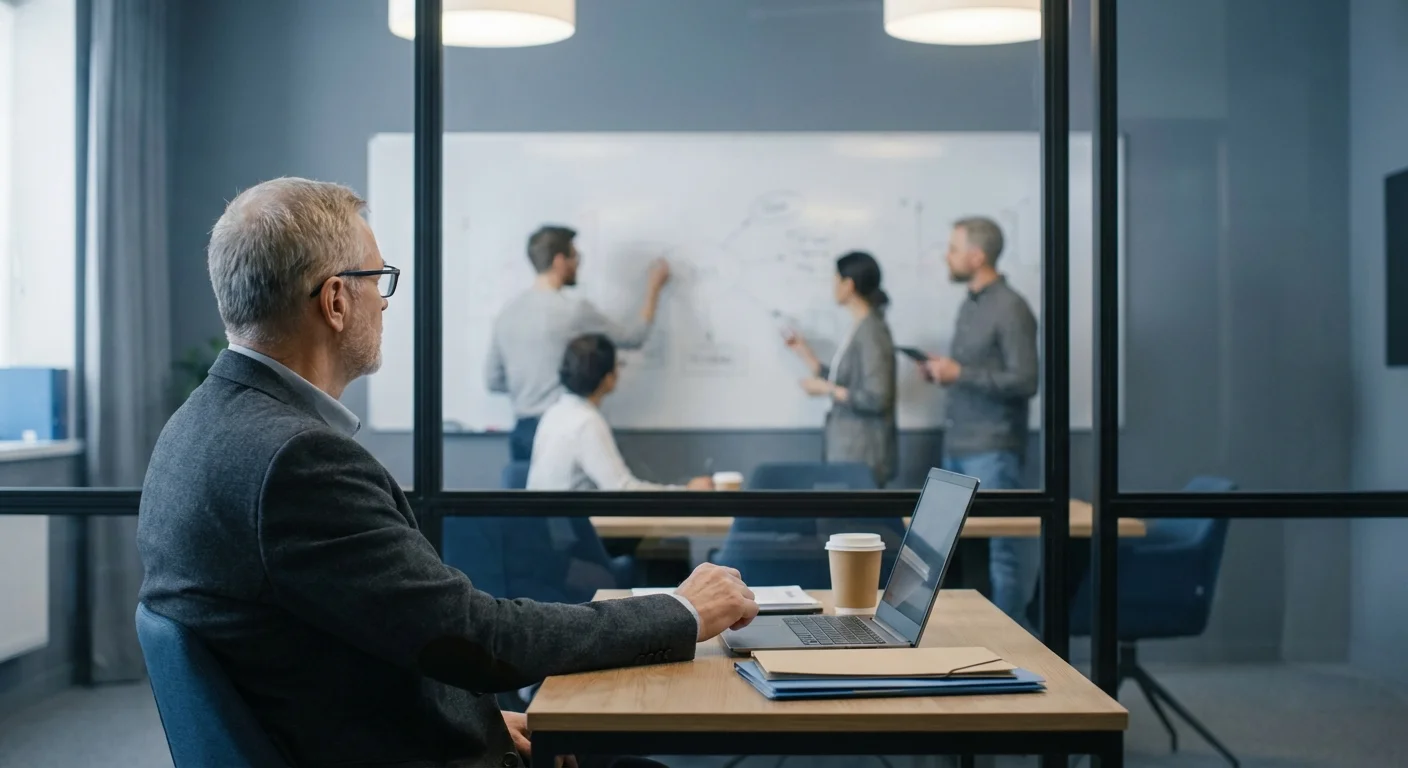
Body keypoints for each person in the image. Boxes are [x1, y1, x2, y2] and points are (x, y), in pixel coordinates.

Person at [136, 178, 758, 768]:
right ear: (334, 301)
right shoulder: (297, 461)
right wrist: (679, 610)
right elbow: (475, 637)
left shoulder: (197, 428)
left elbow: (377, 635)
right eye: (377, 280)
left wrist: (481, 721)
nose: (383, 301)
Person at [919, 216, 1039, 631]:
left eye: (953, 249)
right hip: (959, 444)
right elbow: (971, 371)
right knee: (957, 553)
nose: (946, 257)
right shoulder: (970, 304)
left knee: (1003, 552)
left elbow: (1026, 380)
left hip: (993, 447)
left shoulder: (1011, 307)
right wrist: (942, 372)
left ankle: (1020, 647)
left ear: (977, 255)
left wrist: (960, 374)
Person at [487, 225, 671, 462]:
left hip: (522, 432)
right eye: (575, 257)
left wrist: (529, 387)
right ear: (559, 260)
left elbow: (493, 380)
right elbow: (633, 337)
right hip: (563, 429)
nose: (578, 264)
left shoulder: (507, 314)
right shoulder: (574, 311)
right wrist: (654, 288)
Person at [529, 334, 714, 491]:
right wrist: (686, 492)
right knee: (672, 535)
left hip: (549, 529)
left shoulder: (554, 413)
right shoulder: (586, 422)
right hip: (575, 531)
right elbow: (621, 490)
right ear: (608, 378)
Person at [783, 251, 898, 488]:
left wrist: (826, 389)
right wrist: (805, 354)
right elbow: (844, 382)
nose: (832, 287)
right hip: (849, 450)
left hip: (863, 454)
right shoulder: (860, 326)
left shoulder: (871, 332)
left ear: (849, 285)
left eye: (835, 280)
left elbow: (876, 398)